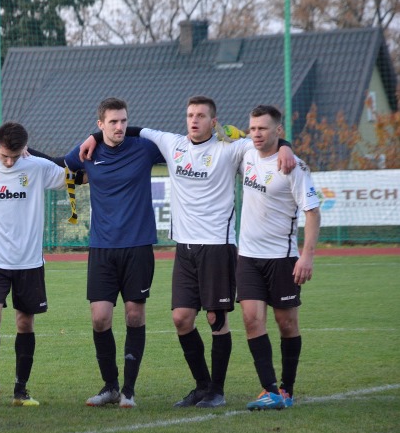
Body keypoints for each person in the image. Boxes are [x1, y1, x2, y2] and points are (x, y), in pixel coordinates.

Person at [81, 95, 296, 408]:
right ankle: (202, 385)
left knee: (215, 318)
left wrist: (286, 145)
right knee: (181, 318)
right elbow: (132, 129)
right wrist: (94, 135)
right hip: (184, 247)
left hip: (217, 245)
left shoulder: (230, 148)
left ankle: (217, 391)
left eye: (201, 115)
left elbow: (265, 141)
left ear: (213, 121)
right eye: (190, 115)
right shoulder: (173, 144)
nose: (194, 120)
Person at [63, 97, 164, 408]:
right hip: (102, 248)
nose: (119, 127)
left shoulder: (144, 148)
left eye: (123, 121)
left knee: (134, 314)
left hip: (138, 245)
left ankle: (129, 391)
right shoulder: (87, 154)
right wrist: (14, 151)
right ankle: (110, 387)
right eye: (113, 122)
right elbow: (61, 163)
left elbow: (184, 146)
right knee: (100, 318)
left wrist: (98, 135)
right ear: (100, 124)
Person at [0, 122, 66, 407]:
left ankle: (21, 390)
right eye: (4, 156)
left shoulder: (37, 167)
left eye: (15, 155)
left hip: (29, 261)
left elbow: (74, 174)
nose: (9, 162)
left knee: (25, 322)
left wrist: (33, 152)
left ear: (24, 148)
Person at [237, 105, 321, 410]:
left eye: (263, 128)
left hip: (282, 258)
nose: (256, 134)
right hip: (247, 256)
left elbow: (313, 213)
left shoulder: (295, 167)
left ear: (278, 130)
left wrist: (306, 256)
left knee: (286, 323)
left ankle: (287, 388)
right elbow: (225, 136)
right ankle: (270, 391)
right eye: (253, 128)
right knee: (251, 320)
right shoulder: (246, 153)